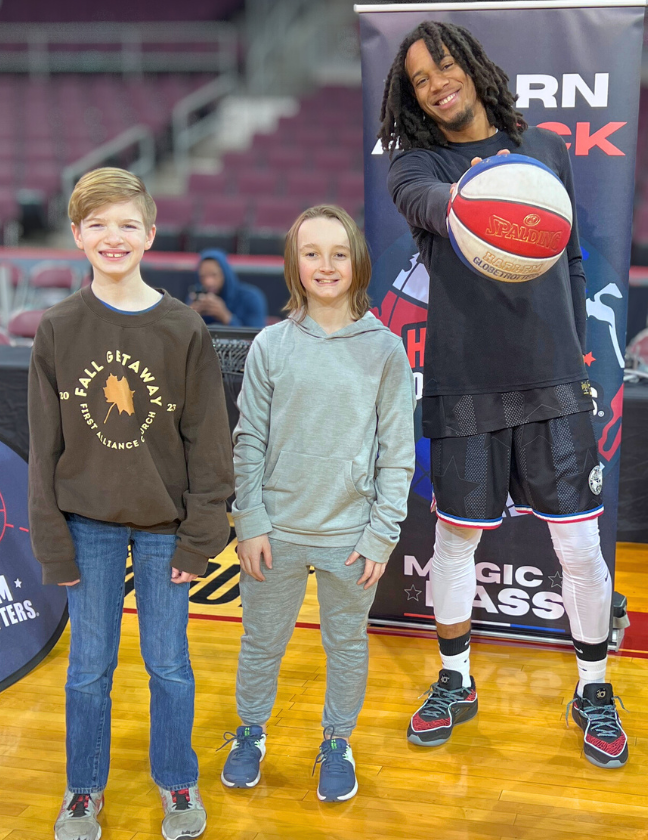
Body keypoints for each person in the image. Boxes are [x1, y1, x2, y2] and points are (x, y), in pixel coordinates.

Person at [380, 20, 627, 768]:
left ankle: (593, 687)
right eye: (421, 80)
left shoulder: (547, 148)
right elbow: (432, 206)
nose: (436, 84)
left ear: (472, 67)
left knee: (577, 545)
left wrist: (570, 336)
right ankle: (455, 679)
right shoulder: (413, 165)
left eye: (444, 68)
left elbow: (574, 257)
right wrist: (488, 193)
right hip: (464, 384)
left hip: (553, 381)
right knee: (454, 542)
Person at [28, 167, 234, 840]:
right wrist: (53, 543)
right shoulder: (57, 328)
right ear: (76, 235)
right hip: (85, 525)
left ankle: (177, 781)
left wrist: (200, 535)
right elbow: (43, 448)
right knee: (88, 670)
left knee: (168, 664)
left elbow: (209, 444)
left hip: (163, 528)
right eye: (96, 225)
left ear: (148, 234)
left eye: (125, 224)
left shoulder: (183, 328)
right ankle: (83, 791)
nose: (111, 237)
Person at [220, 205, 415, 802]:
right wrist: (249, 521)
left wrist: (380, 536)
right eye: (312, 253)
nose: (325, 265)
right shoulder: (271, 345)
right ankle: (250, 732)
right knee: (261, 642)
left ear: (357, 261)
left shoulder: (385, 350)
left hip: (350, 536)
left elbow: (397, 453)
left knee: (347, 644)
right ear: (294, 263)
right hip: (274, 531)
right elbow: (248, 438)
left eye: (338, 253)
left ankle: (337, 741)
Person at [189, 248, 268, 328]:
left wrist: (225, 316)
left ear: (225, 274)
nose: (208, 282)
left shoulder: (251, 297)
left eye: (214, 275)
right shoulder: (197, 297)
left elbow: (257, 337)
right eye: (203, 276)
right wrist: (189, 317)